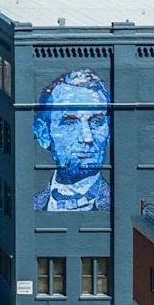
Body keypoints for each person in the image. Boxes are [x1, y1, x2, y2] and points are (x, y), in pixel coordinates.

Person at [31, 68, 113, 212]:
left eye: (96, 122)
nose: (87, 138)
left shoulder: (118, 206)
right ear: (43, 133)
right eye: (69, 123)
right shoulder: (32, 205)